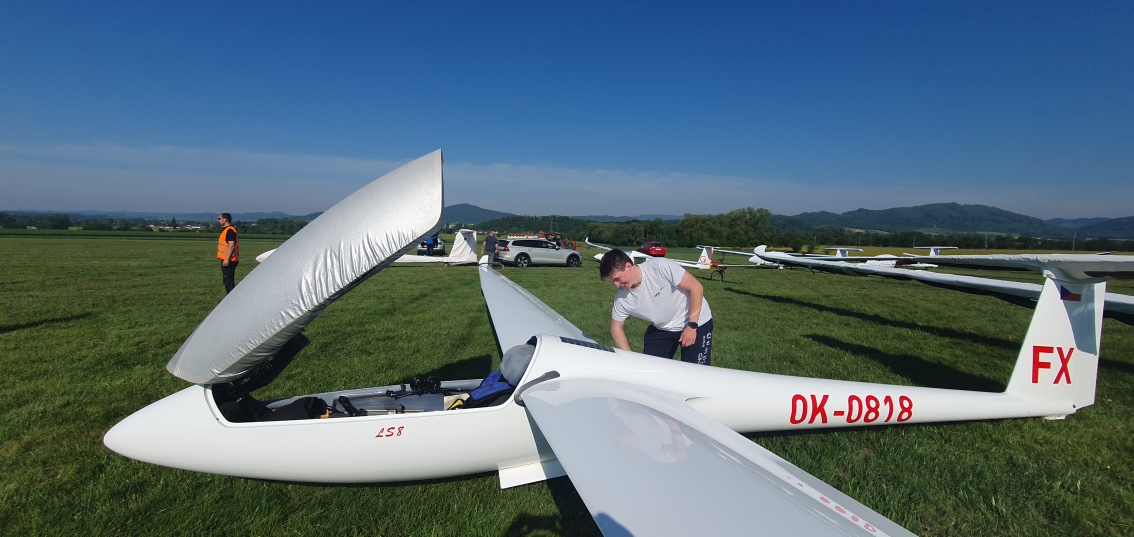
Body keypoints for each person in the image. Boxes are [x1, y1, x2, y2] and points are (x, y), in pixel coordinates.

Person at [599, 249, 713, 365]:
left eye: (617, 279)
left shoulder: (659, 266)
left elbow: (696, 288)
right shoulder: (622, 298)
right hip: (663, 327)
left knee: (696, 371)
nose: (617, 285)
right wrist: (630, 357)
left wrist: (692, 326)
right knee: (651, 369)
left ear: (628, 266)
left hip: (696, 321)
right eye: (612, 281)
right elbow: (616, 327)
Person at [217, 213, 239, 294]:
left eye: (219, 218)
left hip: (230, 260)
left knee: (229, 282)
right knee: (227, 281)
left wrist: (226, 259)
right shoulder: (227, 230)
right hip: (228, 259)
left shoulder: (230, 230)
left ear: (225, 219)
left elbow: (231, 245)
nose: (218, 220)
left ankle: (232, 298)